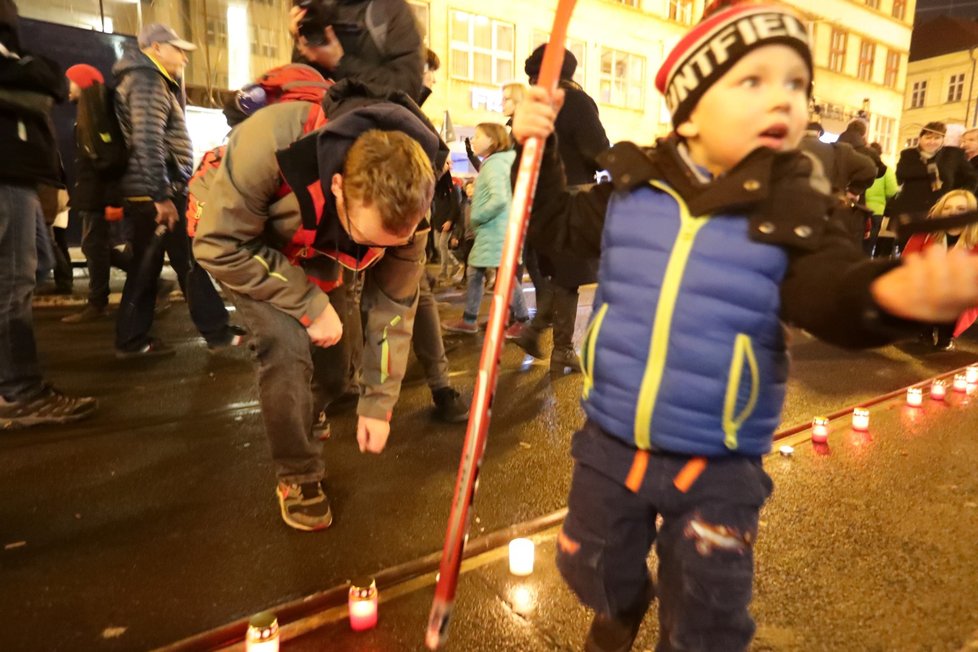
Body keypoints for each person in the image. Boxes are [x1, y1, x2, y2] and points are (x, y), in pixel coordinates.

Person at [512, 2, 978, 650]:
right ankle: (621, 603)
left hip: (718, 461)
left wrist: (890, 292)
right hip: (613, 436)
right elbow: (556, 232)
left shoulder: (791, 210)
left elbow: (829, 290)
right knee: (586, 563)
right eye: (754, 81)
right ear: (692, 102)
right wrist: (535, 153)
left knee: (707, 617)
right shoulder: (631, 188)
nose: (783, 99)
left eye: (795, 85)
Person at [194, 80, 440, 531]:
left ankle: (308, 409)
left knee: (335, 367)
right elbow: (218, 244)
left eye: (392, 244)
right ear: (340, 186)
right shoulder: (269, 140)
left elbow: (392, 307)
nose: (378, 253)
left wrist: (378, 404)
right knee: (285, 344)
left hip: (316, 242)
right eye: (368, 240)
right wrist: (307, 302)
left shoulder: (414, 202)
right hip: (240, 237)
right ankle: (298, 473)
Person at [112, 23, 242, 357]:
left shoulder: (149, 80)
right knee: (179, 262)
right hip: (157, 193)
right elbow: (148, 141)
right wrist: (162, 196)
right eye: (178, 49)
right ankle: (214, 332)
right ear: (155, 48)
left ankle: (135, 339)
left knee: (156, 264)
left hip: (154, 190)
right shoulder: (146, 81)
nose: (184, 56)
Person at [0, 0, 97, 427]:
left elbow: (45, 81)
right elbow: (43, 80)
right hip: (6, 174)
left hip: (17, 176)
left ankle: (17, 387)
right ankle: (19, 392)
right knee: (11, 285)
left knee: (20, 280)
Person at [514, 44, 609, 372]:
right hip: (571, 199)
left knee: (558, 275)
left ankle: (541, 335)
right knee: (568, 275)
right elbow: (599, 150)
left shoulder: (535, 108)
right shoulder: (577, 102)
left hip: (539, 202)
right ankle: (559, 347)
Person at [61, 63, 134, 323]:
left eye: (70, 81)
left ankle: (98, 302)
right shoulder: (88, 113)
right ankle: (145, 278)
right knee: (95, 246)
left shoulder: (98, 114)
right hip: (93, 193)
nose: (67, 87)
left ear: (82, 83)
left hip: (99, 194)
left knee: (94, 246)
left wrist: (110, 196)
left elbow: (111, 157)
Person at [442, 122, 528, 337]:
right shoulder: (498, 162)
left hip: (495, 228)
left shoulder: (494, 165)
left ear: (492, 140)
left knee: (499, 275)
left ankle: (519, 320)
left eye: (479, 136)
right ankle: (475, 319)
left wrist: (478, 216)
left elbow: (499, 198)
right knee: (490, 273)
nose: (475, 140)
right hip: (497, 229)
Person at [289, 0, 424, 101]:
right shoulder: (319, 6)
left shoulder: (390, 9)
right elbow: (302, 90)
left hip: (376, 130)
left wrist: (340, 62)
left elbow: (408, 90)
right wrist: (303, 39)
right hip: (324, 129)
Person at [902, 189, 978, 351]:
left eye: (961, 209)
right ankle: (924, 330)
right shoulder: (925, 233)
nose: (952, 213)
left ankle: (946, 335)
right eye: (947, 208)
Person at [890, 121, 977, 247]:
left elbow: (971, 178)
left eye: (937, 138)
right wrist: (929, 167)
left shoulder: (952, 155)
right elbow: (902, 174)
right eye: (928, 137)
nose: (932, 141)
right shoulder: (909, 154)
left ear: (943, 139)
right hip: (910, 210)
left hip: (939, 211)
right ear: (920, 138)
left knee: (935, 248)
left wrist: (961, 197)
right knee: (909, 248)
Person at [864, 141, 899, 257]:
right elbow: (892, 191)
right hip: (876, 211)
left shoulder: (861, 166)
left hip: (859, 209)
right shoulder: (886, 170)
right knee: (869, 244)